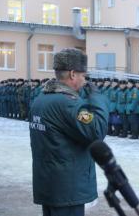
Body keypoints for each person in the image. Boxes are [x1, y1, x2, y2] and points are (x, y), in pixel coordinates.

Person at [29, 48, 109, 216]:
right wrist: (97, 98)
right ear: (73, 74)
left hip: (49, 183)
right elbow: (97, 131)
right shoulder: (68, 103)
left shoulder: (41, 99)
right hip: (67, 187)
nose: (84, 80)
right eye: (83, 76)